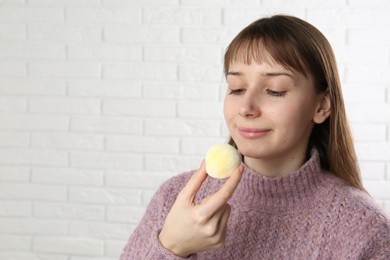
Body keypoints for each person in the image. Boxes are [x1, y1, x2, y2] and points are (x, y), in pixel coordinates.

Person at [120, 14, 390, 259]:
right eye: (236, 88)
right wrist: (171, 246)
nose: (246, 108)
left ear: (321, 106)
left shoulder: (363, 229)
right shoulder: (176, 199)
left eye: (274, 90)